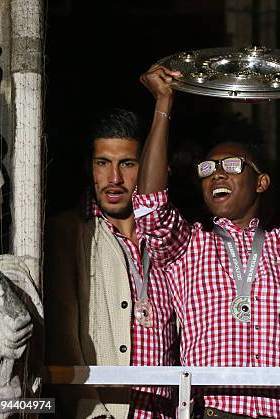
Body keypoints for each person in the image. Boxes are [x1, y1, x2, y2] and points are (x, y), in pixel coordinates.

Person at [135, 57, 280, 419]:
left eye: (231, 166)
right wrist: (163, 104)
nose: (216, 175)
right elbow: (150, 205)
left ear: (261, 181)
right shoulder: (188, 245)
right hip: (215, 411)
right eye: (207, 170)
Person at [44, 109, 178, 418]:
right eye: (103, 163)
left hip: (168, 410)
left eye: (127, 164)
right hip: (108, 412)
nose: (114, 179)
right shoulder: (69, 232)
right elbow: (62, 335)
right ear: (88, 168)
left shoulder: (170, 236)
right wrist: (90, 410)